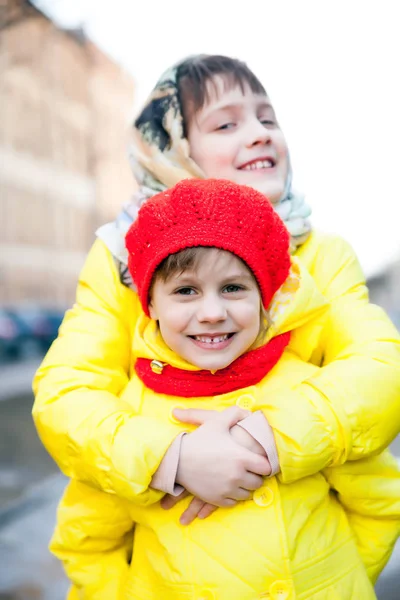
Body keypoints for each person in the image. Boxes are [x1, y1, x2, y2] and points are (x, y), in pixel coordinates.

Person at [33, 54, 400, 524]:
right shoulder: (120, 257)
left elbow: (379, 371)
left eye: (268, 118)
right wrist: (172, 458)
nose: (261, 132)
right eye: (226, 125)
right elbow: (67, 394)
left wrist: (268, 438)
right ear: (171, 150)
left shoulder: (322, 253)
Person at [50, 179, 400, 600]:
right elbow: (87, 539)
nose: (213, 313)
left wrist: (341, 584)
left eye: (233, 288)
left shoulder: (305, 389)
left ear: (264, 298)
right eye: (185, 290)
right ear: (151, 305)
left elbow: (381, 505)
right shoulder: (131, 415)